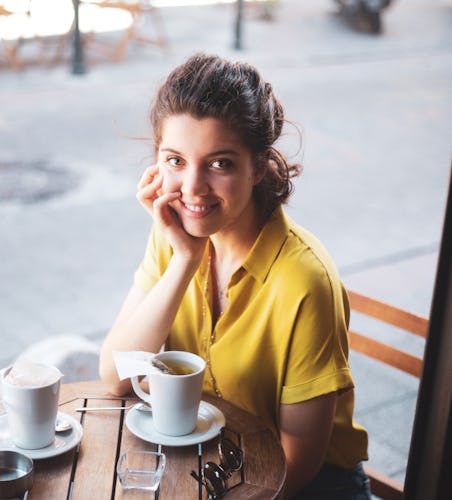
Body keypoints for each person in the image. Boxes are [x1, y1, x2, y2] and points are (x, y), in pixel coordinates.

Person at [99, 53, 370, 498]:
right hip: (212, 463)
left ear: (259, 166)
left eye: (220, 163)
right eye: (175, 160)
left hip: (308, 486)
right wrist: (185, 261)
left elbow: (298, 463)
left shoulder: (304, 281)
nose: (192, 188)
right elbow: (116, 375)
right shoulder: (172, 236)